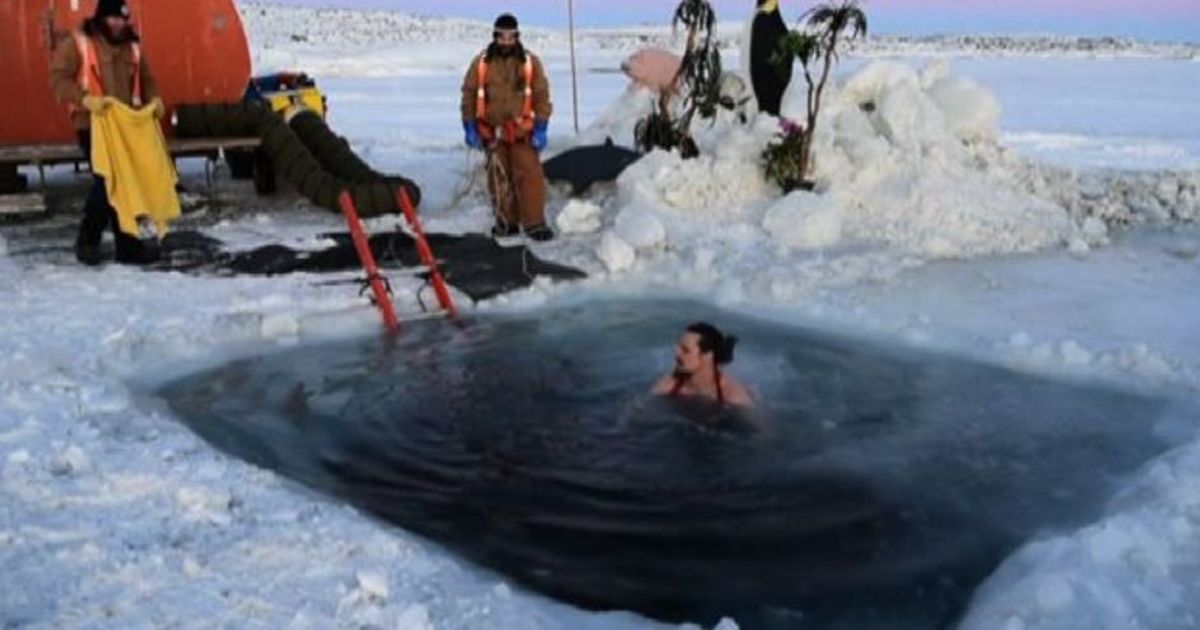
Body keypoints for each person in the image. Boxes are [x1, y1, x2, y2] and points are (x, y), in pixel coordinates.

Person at [50, 0, 165, 266]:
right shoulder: (78, 44)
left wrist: (155, 99)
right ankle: (89, 240)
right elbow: (58, 79)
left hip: (126, 127)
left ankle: (126, 247)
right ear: (102, 18)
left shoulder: (132, 47)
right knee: (107, 181)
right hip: (92, 125)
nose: (119, 24)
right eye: (114, 19)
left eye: (122, 19)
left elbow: (147, 80)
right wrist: (85, 100)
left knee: (122, 186)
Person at [460, 13, 555, 242]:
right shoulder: (481, 63)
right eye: (501, 36)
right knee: (497, 177)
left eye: (510, 36)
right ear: (495, 37)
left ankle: (534, 223)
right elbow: (469, 94)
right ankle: (506, 222)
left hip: (523, 131)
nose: (506, 41)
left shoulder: (530, 63)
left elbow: (541, 95)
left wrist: (541, 127)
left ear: (517, 37)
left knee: (529, 175)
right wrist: (469, 126)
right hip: (492, 132)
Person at [653, 322, 755, 408]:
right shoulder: (669, 385)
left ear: (708, 356)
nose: (677, 354)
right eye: (678, 348)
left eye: (685, 350)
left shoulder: (733, 396)